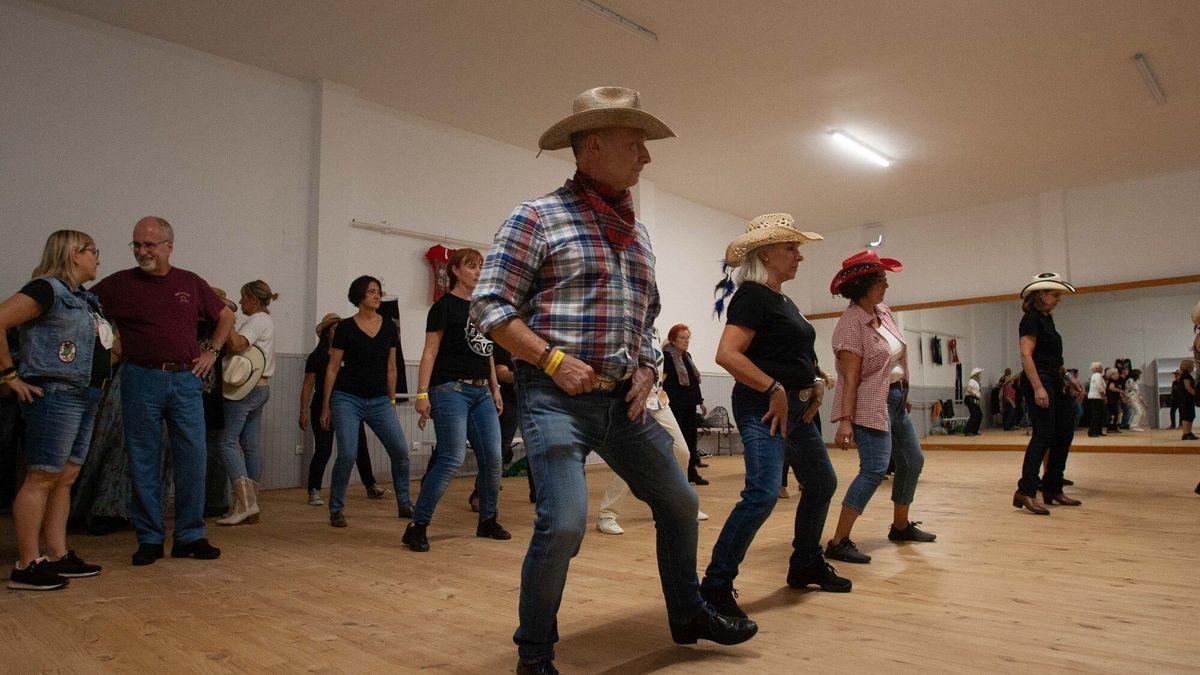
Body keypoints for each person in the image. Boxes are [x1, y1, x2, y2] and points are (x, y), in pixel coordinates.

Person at [470, 86, 756, 674]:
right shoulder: (537, 217)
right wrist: (551, 360)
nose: (646, 157)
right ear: (592, 146)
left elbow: (645, 317)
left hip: (622, 400)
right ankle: (535, 653)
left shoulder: (636, 232)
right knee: (565, 523)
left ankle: (687, 612)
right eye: (636, 144)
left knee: (678, 503)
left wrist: (649, 366)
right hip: (554, 398)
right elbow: (490, 306)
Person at [700, 212, 850, 621]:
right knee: (763, 493)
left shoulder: (783, 299)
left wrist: (815, 381)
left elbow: (795, 350)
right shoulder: (751, 295)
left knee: (821, 482)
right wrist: (774, 388)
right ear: (767, 253)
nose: (799, 255)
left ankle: (805, 563)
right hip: (763, 406)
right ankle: (714, 586)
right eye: (791, 247)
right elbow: (726, 354)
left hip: (798, 407)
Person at [92, 216, 230, 566]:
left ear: (169, 245)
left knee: (193, 458)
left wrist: (211, 352)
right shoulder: (119, 284)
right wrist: (110, 344)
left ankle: (190, 536)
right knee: (143, 460)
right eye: (136, 244)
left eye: (149, 245)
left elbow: (225, 316)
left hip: (185, 380)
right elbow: (87, 311)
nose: (141, 251)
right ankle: (150, 538)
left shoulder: (190, 282)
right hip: (140, 379)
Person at [1, 231, 110, 590]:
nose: (98, 258)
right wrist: (9, 375)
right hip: (56, 394)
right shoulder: (45, 290)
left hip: (85, 394)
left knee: (64, 478)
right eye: (94, 251)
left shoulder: (85, 299)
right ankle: (27, 564)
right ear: (74, 254)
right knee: (41, 476)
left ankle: (56, 554)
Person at [827, 251, 935, 564]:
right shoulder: (850, 326)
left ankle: (900, 527)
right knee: (874, 469)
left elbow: (895, 356)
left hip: (895, 400)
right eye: (880, 280)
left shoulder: (882, 311)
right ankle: (839, 540)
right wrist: (845, 422)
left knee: (912, 461)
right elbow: (849, 378)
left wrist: (902, 389)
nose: (886, 284)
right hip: (869, 404)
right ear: (863, 286)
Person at [405, 248, 511, 552]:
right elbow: (429, 351)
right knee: (450, 457)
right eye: (471, 266)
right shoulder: (443, 307)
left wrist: (495, 388)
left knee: (493, 457)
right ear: (454, 271)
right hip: (450, 390)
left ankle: (487, 520)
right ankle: (417, 525)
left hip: (481, 392)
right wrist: (422, 392)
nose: (478, 271)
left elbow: (487, 351)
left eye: (480, 266)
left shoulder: (484, 308)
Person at [320, 276, 412, 527]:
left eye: (379, 292)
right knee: (347, 454)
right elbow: (332, 368)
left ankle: (404, 503)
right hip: (347, 397)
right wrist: (326, 405)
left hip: (379, 400)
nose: (377, 295)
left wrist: (391, 400)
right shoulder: (346, 328)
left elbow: (392, 368)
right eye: (371, 291)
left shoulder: (390, 327)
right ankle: (336, 509)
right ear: (359, 296)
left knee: (401, 451)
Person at [596, 329, 708, 535]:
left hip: (659, 401)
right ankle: (607, 514)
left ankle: (679, 505)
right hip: (635, 401)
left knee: (682, 451)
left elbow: (658, 371)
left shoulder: (653, 334)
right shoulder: (626, 328)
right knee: (629, 461)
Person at [300, 314, 391, 506]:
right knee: (324, 449)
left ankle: (370, 485)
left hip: (349, 404)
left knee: (360, 447)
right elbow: (308, 385)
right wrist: (302, 412)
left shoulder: (349, 354)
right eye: (334, 329)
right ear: (327, 333)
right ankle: (314, 489)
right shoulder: (318, 356)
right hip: (322, 405)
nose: (339, 332)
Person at [1010, 273, 1080, 515]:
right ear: (1040, 294)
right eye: (1054, 293)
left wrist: (1070, 379)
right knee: (1043, 435)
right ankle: (1026, 490)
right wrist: (1038, 387)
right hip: (1040, 379)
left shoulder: (1047, 319)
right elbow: (1026, 355)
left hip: (1055, 378)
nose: (1058, 298)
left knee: (1064, 432)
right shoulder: (1030, 319)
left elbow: (1053, 359)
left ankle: (1052, 487)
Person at [216, 280, 277, 526]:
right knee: (250, 445)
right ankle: (251, 503)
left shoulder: (258, 320)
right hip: (260, 389)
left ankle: (245, 503)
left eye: (243, 298)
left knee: (225, 444)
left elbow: (238, 344)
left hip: (245, 391)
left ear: (253, 297)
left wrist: (226, 316)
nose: (241, 303)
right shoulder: (265, 321)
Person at [662, 324, 708, 485]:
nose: (686, 341)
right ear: (673, 340)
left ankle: (691, 473)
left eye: (688, 338)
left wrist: (700, 402)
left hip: (689, 405)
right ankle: (675, 476)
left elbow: (693, 382)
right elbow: (663, 379)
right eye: (682, 338)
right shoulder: (667, 356)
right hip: (674, 405)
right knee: (677, 442)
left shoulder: (687, 356)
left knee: (691, 439)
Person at [1086, 362, 1106, 438]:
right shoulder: (1097, 375)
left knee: (1100, 415)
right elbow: (1099, 386)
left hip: (1096, 397)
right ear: (1097, 368)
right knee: (1097, 415)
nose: (1102, 368)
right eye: (1101, 367)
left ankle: (1098, 431)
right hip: (1096, 397)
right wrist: (1103, 396)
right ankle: (1092, 431)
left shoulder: (1096, 375)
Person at [1179, 359, 1196, 441]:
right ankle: (1186, 433)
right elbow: (1188, 387)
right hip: (1187, 399)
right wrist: (1196, 394)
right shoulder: (1186, 375)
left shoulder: (1186, 374)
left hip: (1187, 398)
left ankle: (1189, 432)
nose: (1194, 367)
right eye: (1193, 366)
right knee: (1188, 416)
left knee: (1191, 415)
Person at [964, 367, 984, 435]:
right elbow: (968, 390)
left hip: (974, 399)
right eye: (979, 373)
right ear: (976, 374)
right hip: (970, 398)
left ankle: (974, 430)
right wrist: (975, 394)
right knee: (974, 414)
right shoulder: (971, 381)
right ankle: (967, 430)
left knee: (979, 414)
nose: (981, 375)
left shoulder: (977, 382)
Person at [1104, 367, 1123, 434]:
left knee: (1116, 413)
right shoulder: (1111, 381)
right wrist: (1121, 391)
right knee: (1113, 414)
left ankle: (1114, 427)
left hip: (1115, 400)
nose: (1118, 374)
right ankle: (1111, 428)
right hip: (1112, 400)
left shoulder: (1115, 381)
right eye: (1117, 373)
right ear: (1112, 374)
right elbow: (1111, 388)